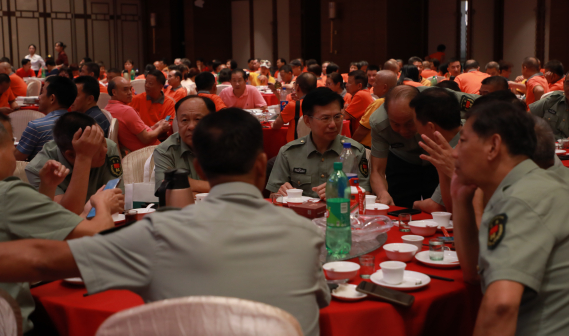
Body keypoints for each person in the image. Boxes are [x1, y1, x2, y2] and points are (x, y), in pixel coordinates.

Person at [0, 108, 330, 336]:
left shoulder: (159, 234)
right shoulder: (306, 234)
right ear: (261, 165)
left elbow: (40, 261)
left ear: (199, 169)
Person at [450, 101, 569, 336]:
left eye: (463, 141)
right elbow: (473, 273)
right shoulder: (531, 184)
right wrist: (460, 199)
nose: (454, 152)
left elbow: (500, 307)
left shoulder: (523, 198)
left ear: (493, 147)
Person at [0, 115, 123, 334]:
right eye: (11, 145)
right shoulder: (9, 192)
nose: (15, 152)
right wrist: (102, 204)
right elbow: (94, 237)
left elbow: (37, 227)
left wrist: (47, 188)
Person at [267, 87, 370, 199]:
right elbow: (273, 195)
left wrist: (342, 193)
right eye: (325, 118)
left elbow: (366, 194)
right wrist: (280, 193)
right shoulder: (289, 153)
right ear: (307, 121)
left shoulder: (354, 151)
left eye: (337, 117)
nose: (333, 124)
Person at [25, 112, 124, 214]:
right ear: (71, 155)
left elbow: (118, 202)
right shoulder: (41, 169)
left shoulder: (109, 147)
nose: (105, 150)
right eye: (96, 149)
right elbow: (65, 215)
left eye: (103, 140)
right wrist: (83, 158)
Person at [369, 85, 439, 207]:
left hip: (437, 161)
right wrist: (382, 193)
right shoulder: (378, 123)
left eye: (409, 123)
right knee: (400, 209)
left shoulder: (438, 102)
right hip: (401, 161)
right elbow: (377, 170)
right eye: (396, 124)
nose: (403, 131)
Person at [409, 88, 462, 213]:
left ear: (430, 127)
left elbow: (442, 209)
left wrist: (416, 204)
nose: (416, 131)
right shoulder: (462, 130)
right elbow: (450, 208)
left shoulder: (464, 151)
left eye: (416, 124)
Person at [153, 96, 215, 193]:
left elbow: (237, 187)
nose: (191, 126)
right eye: (184, 120)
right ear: (177, 122)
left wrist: (190, 183)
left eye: (198, 119)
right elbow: (166, 193)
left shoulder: (228, 144)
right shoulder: (165, 150)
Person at [15, 76, 77, 161]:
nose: (39, 97)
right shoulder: (78, 124)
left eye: (42, 93)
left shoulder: (36, 126)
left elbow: (16, 159)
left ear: (52, 98)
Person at [105, 77, 170, 152]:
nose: (130, 92)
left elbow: (136, 133)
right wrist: (161, 128)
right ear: (114, 92)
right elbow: (146, 139)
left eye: (130, 89)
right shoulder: (126, 110)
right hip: (150, 151)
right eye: (125, 90)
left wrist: (155, 127)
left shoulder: (107, 109)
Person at [351, 70, 398, 148]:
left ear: (384, 87)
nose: (373, 85)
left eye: (376, 82)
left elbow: (362, 130)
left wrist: (350, 144)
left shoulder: (379, 103)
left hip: (368, 148)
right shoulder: (395, 101)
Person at [272, 73, 317, 143]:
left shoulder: (294, 105)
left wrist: (272, 124)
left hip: (297, 146)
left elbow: (276, 125)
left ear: (297, 87)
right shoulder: (320, 104)